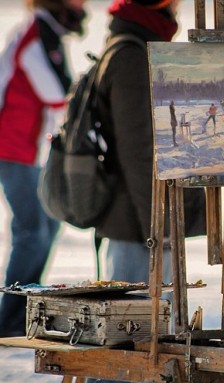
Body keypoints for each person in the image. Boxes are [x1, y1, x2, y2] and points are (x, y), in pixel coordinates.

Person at [74, 0, 204, 383]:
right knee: (129, 342)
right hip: (139, 229)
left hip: (147, 225)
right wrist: (162, 229)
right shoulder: (130, 53)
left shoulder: (138, 43)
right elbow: (139, 153)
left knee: (155, 340)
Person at [0, 0, 87, 337]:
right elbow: (56, 93)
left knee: (45, 228)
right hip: (14, 148)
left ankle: (23, 312)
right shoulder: (36, 36)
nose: (82, 4)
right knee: (32, 231)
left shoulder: (47, 33)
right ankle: (11, 318)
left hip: (30, 150)